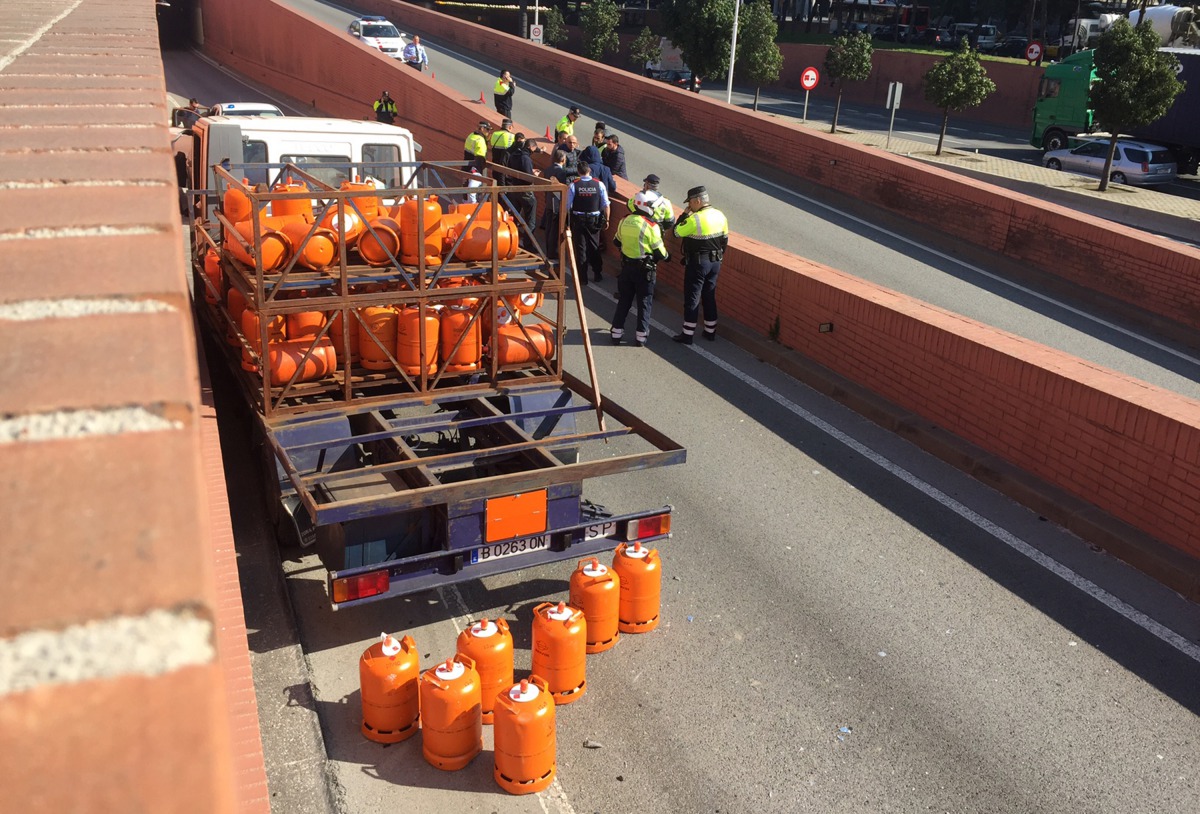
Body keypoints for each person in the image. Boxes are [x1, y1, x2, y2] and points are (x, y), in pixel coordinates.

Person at [610, 191, 669, 348]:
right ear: (648, 207)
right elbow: (660, 253)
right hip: (644, 271)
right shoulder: (651, 226)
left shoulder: (624, 221)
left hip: (626, 268)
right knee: (644, 302)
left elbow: (616, 241)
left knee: (624, 300)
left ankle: (616, 332)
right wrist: (667, 256)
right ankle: (640, 337)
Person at [672, 185, 729, 344]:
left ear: (697, 200)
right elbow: (725, 241)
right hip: (715, 262)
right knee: (709, 295)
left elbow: (676, 232)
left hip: (698, 263)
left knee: (693, 297)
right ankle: (710, 331)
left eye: (690, 202)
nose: (689, 205)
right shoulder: (720, 215)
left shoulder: (694, 219)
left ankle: (687, 334)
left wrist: (684, 214)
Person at [565, 162, 609, 285]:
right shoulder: (599, 184)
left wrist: (566, 221)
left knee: (580, 248)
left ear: (578, 172)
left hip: (578, 220)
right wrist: (607, 219)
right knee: (594, 247)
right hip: (594, 220)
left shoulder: (574, 185)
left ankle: (583, 277)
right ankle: (597, 273)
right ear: (589, 170)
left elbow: (568, 205)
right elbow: (606, 204)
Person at [504, 134, 540, 246]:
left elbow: (510, 170)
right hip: (525, 191)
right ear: (531, 148)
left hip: (514, 189)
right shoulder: (526, 158)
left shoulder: (514, 155)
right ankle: (529, 244)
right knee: (530, 219)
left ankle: (510, 240)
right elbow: (528, 178)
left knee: (514, 216)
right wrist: (534, 175)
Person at [542, 150, 571, 261]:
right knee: (554, 229)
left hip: (549, 201)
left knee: (549, 228)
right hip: (557, 204)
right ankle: (552, 252)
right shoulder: (561, 173)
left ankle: (549, 249)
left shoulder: (548, 169)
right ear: (563, 160)